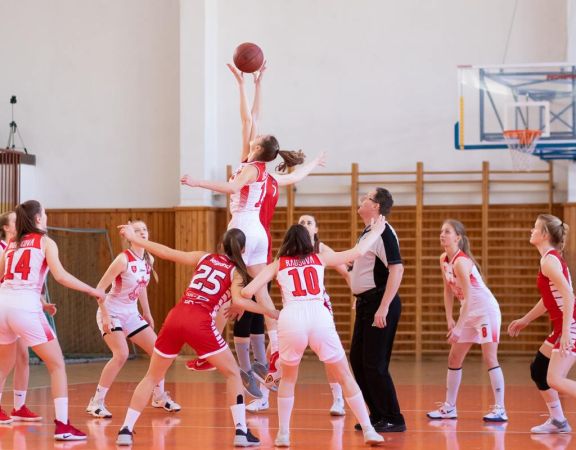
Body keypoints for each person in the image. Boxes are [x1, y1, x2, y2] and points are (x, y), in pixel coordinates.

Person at [182, 62, 324, 396]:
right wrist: (249, 84)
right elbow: (252, 119)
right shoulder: (270, 174)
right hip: (260, 234)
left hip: (242, 229)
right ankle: (276, 352)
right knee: (261, 293)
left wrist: (195, 182)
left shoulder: (250, 169)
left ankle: (209, 351)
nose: (252, 133)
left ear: (257, 149)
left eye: (255, 138)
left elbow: (232, 190)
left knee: (220, 291)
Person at [115, 225, 279, 447]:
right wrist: (270, 311)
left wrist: (135, 239)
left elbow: (166, 252)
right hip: (199, 322)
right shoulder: (237, 272)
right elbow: (241, 302)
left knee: (152, 376)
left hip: (176, 316)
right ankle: (241, 432)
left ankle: (125, 429)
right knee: (232, 373)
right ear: (243, 250)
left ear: (221, 245)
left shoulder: (204, 257)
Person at [241, 219, 389, 447]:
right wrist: (377, 230)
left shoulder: (278, 264)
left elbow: (248, 291)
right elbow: (356, 252)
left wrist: (268, 308)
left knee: (288, 380)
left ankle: (283, 434)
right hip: (319, 315)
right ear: (307, 242)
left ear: (287, 242)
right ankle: (369, 430)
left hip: (291, 317)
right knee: (345, 376)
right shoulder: (319, 257)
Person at [0, 200, 105, 440]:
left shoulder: (12, 244)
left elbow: (3, 277)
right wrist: (92, 290)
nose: (46, 217)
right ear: (38, 219)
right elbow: (61, 276)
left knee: (3, 364)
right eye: (44, 213)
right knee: (57, 365)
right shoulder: (45, 242)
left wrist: (37, 302)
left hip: (2, 305)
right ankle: (63, 425)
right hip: (24, 308)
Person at [246, 213, 349, 415]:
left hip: (318, 307)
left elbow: (345, 271)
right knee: (272, 353)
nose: (305, 224)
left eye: (309, 222)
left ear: (316, 230)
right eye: (301, 222)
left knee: (329, 358)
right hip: (293, 308)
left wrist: (356, 294)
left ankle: (338, 399)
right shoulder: (285, 253)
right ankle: (264, 396)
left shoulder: (321, 250)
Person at [86, 219, 180, 418]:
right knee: (121, 354)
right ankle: (96, 401)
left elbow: (142, 288)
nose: (143, 233)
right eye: (137, 230)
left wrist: (147, 312)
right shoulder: (122, 260)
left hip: (131, 312)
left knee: (159, 352)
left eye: (145, 229)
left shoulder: (148, 259)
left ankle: (159, 396)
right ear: (129, 237)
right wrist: (104, 315)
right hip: (111, 310)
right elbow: (98, 290)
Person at [426, 219, 507, 422]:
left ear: (458, 238)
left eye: (447, 231)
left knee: (490, 358)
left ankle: (500, 408)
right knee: (454, 358)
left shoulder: (462, 262)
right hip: (467, 312)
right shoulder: (444, 259)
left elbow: (470, 297)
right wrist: (449, 318)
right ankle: (450, 407)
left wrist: (460, 327)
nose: (442, 234)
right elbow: (448, 290)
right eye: (441, 231)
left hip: (485, 312)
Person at [508, 214, 574, 433]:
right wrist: (525, 320)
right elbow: (550, 298)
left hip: (570, 325)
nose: (531, 231)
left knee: (554, 379)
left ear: (544, 234)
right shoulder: (548, 258)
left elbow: (568, 294)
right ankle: (558, 420)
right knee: (539, 369)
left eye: (534, 228)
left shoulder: (549, 260)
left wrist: (565, 332)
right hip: (563, 325)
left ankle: (559, 420)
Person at [349, 188, 406, 433]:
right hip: (366, 303)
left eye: (367, 198)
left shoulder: (384, 232)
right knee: (358, 361)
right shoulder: (368, 232)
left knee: (374, 363)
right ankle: (377, 414)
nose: (361, 200)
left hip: (380, 304)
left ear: (376, 206)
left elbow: (397, 269)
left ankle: (394, 417)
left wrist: (382, 306)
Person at [0, 211, 57, 423]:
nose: (20, 223)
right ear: (6, 227)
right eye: (15, 221)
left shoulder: (26, 246)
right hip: (5, 308)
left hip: (20, 308)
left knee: (22, 357)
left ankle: (19, 406)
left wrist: (42, 304)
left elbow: (25, 283)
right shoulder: (5, 248)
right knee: (4, 360)